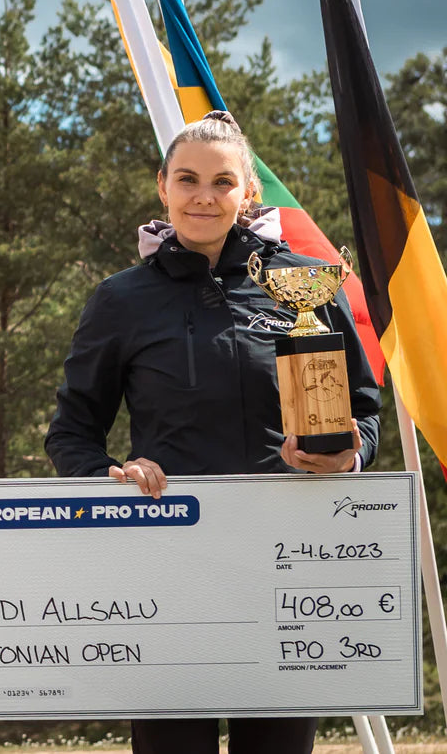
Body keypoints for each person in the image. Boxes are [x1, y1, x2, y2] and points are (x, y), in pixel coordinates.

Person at [45, 110, 381, 754]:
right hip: (168, 569)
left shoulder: (304, 287)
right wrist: (110, 481)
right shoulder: (120, 300)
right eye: (188, 179)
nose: (204, 196)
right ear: (163, 187)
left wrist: (347, 457)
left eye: (223, 182)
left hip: (290, 562)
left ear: (248, 193)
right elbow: (72, 432)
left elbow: (362, 410)